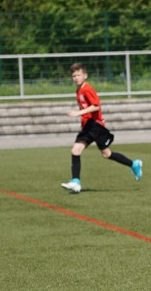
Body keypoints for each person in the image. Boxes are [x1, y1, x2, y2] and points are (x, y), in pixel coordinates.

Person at [61, 63, 142, 193]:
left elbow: (96, 106)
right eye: (73, 76)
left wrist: (77, 113)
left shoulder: (87, 89)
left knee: (104, 154)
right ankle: (76, 182)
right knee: (81, 151)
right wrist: (82, 123)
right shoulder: (79, 90)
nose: (76, 78)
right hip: (88, 126)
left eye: (78, 75)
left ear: (85, 75)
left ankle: (134, 164)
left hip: (95, 126)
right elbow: (86, 108)